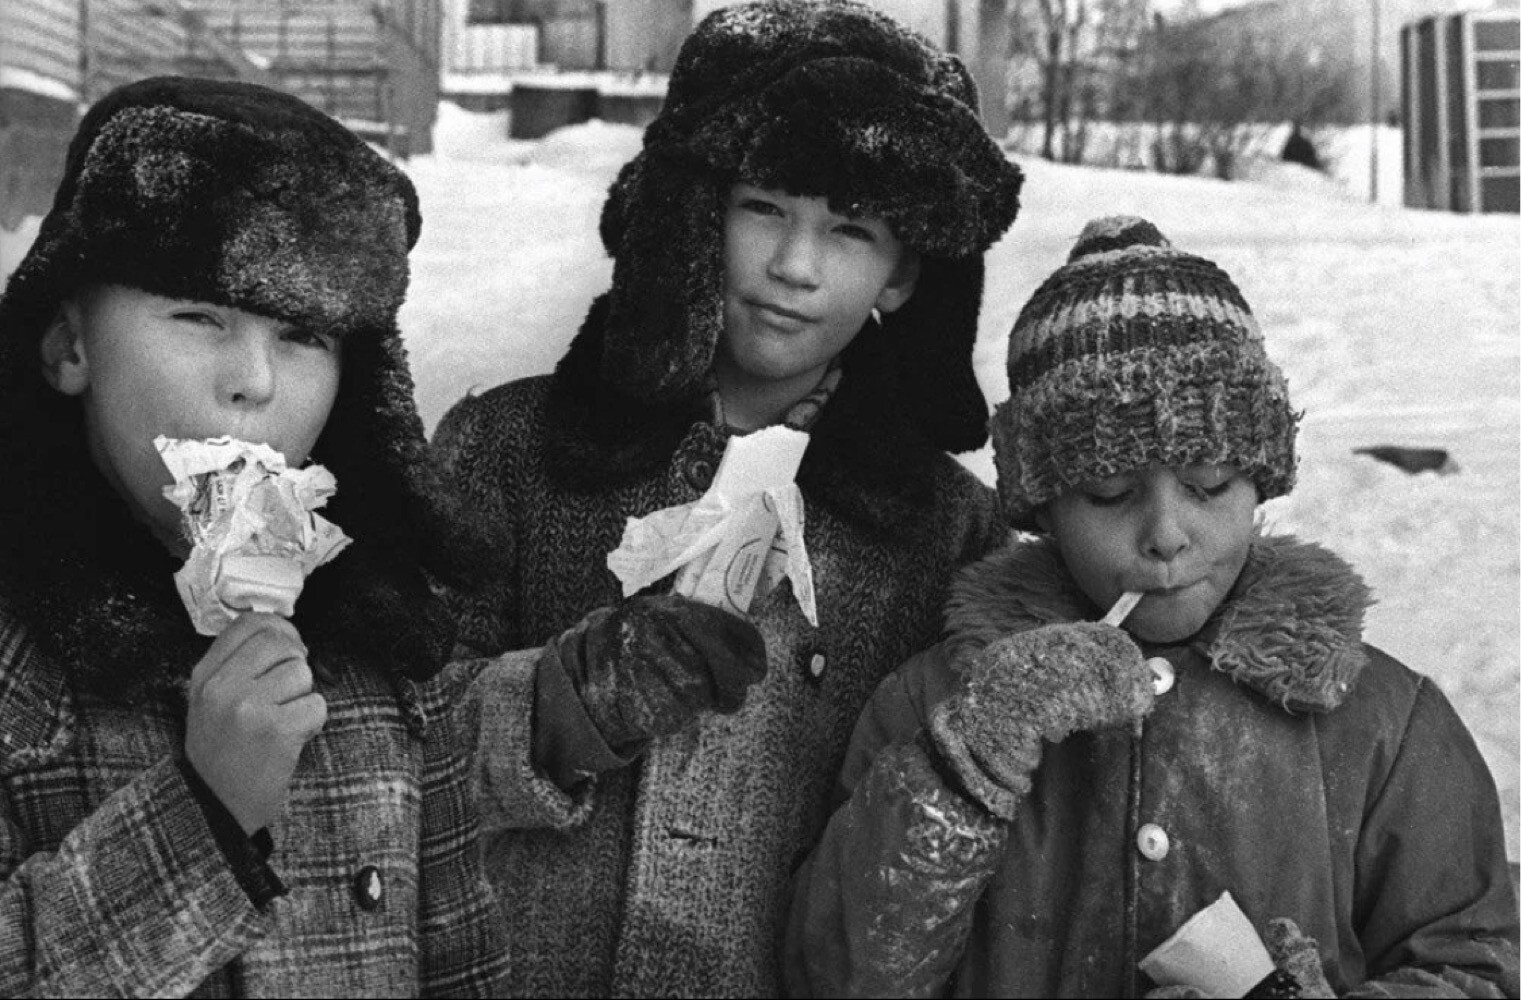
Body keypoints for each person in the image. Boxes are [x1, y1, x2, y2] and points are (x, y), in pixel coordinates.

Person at [430, 1, 1025, 994]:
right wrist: (556, 707)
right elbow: (376, 748)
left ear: (904, 270)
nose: (795, 266)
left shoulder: (949, 534)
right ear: (694, 208)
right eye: (766, 208)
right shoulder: (510, 450)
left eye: (850, 229)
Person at [784, 216, 1520, 998]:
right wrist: (959, 772)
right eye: (1107, 493)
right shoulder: (936, 706)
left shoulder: (1382, 723)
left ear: (1259, 480)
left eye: (1206, 485)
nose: (1165, 535)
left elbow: (1480, 969)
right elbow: (836, 979)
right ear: (1043, 506)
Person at [0, 75, 518, 996]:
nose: (253, 382)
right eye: (200, 316)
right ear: (69, 347)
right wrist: (205, 820)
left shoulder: (385, 644)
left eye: (303, 335)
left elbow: (464, 964)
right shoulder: (17, 666)